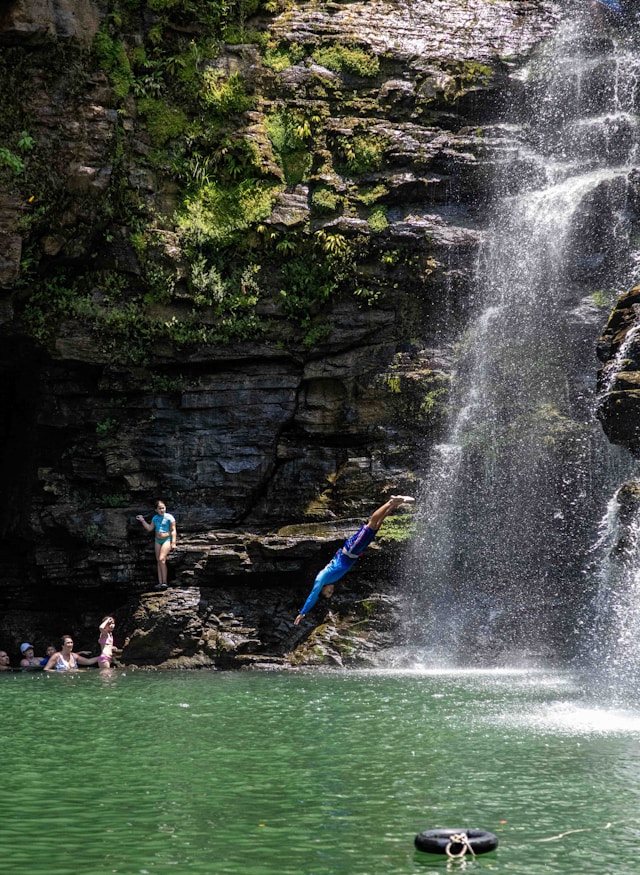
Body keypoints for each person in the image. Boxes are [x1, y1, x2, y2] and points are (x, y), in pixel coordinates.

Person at [294, 495, 415, 625]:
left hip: (351, 549)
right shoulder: (331, 578)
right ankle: (395, 504)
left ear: (322, 590)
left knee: (371, 525)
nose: (331, 591)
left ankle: (391, 501)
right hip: (355, 552)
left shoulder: (321, 578)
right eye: (331, 593)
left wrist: (303, 613)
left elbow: (313, 596)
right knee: (377, 525)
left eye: (328, 592)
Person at [136, 500, 177, 591]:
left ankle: (165, 582)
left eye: (163, 508)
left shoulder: (170, 517)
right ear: (156, 510)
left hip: (167, 539)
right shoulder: (155, 518)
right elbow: (150, 528)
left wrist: (173, 543)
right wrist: (142, 520)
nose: (162, 510)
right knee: (158, 560)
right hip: (157, 540)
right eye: (159, 508)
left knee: (162, 559)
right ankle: (160, 582)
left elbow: (173, 530)